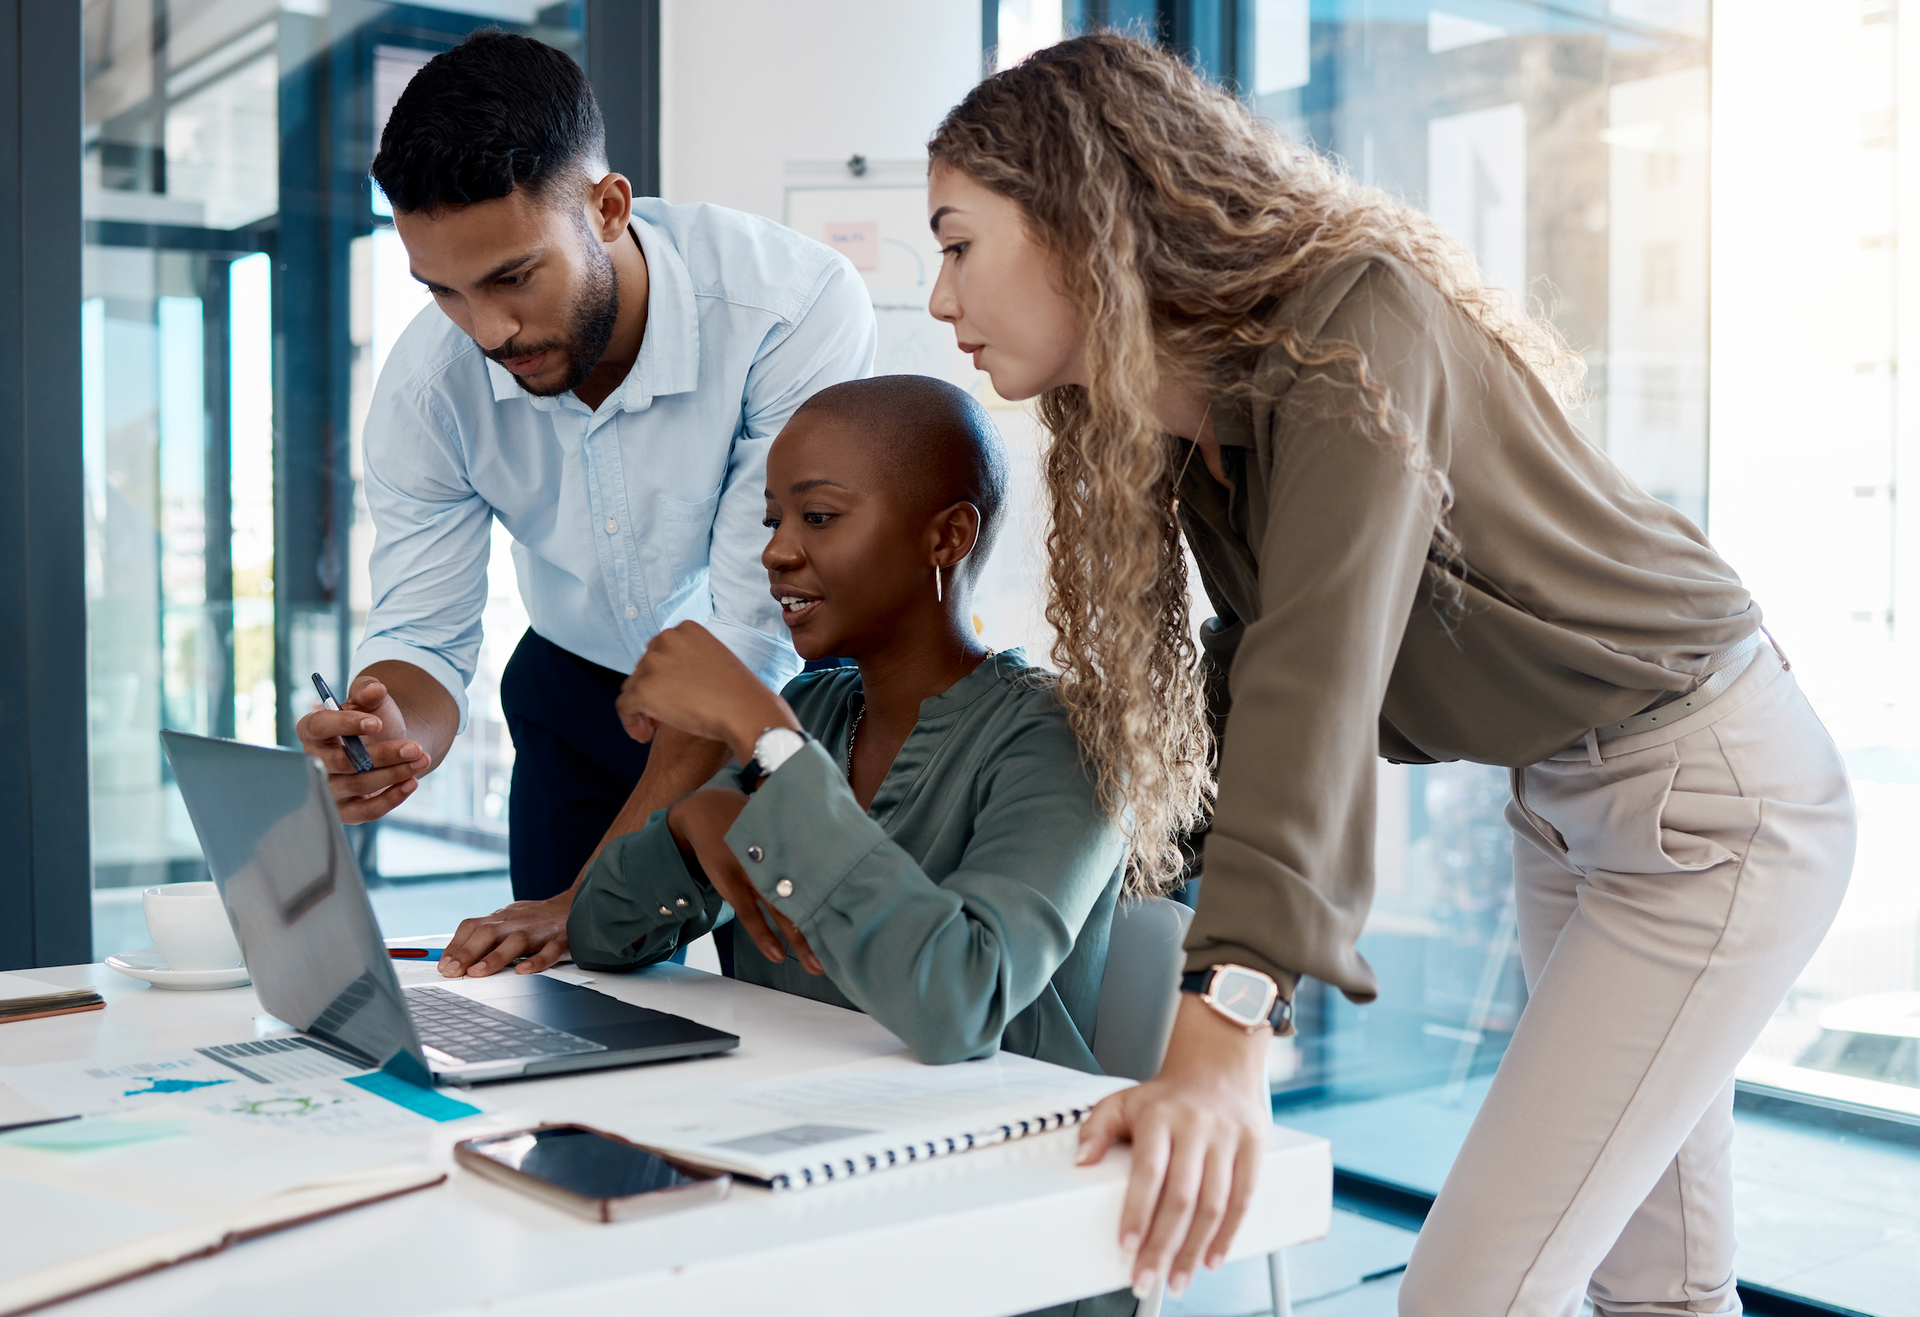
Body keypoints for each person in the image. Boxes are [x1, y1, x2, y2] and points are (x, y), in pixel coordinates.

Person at [923, 34, 1856, 1316]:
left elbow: (1320, 676)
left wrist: (1229, 1015)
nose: (938, 297)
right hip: (1573, 806)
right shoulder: (1209, 428)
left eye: (958, 242)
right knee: (1661, 1291)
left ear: (1083, 221)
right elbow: (1249, 683)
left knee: (1472, 1294)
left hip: (1709, 803)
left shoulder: (1353, 325)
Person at [293, 30, 874, 980]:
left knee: (789, 1025)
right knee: (562, 1015)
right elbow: (424, 635)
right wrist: (393, 732)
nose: (487, 329)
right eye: (444, 290)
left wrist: (591, 895)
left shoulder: (788, 309)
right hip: (577, 695)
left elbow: (747, 633)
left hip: (777, 706)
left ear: (607, 208)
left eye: (513, 277)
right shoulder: (429, 387)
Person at [568, 375, 1125, 1085]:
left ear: (947, 537)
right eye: (774, 520)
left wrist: (761, 730)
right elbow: (598, 934)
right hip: (795, 1131)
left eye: (820, 516)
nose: (776, 552)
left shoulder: (1062, 736)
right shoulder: (818, 709)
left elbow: (962, 1002)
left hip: (988, 1157)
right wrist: (684, 829)